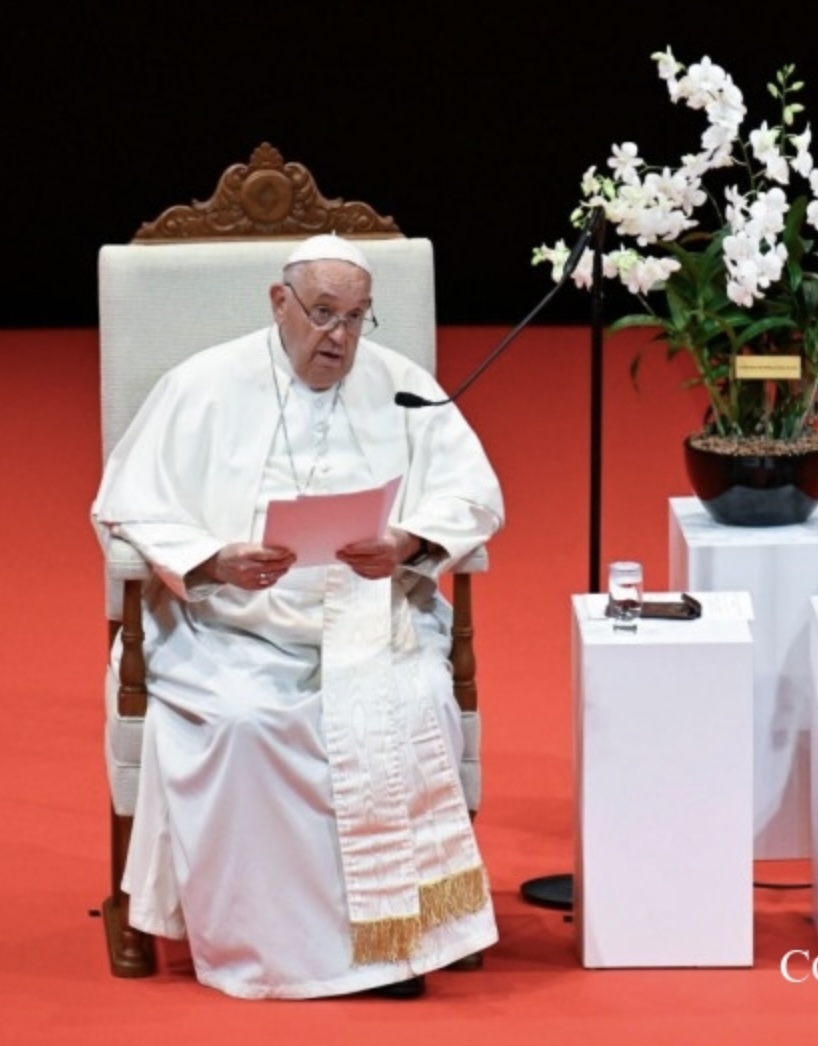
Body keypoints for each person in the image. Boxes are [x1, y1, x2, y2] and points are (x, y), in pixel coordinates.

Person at [91, 234, 504, 1000]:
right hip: (228, 626)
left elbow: (475, 496)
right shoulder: (202, 386)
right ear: (280, 303)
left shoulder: (401, 385)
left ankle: (391, 941)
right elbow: (126, 507)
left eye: (356, 317)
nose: (340, 337)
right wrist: (216, 559)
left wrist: (406, 541)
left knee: (411, 711)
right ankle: (273, 952)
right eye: (322, 314)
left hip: (368, 621)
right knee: (247, 725)